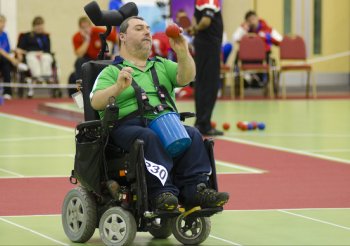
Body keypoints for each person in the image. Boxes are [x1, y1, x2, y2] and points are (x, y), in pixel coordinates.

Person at [90, 16, 229, 211]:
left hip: (165, 121)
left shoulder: (161, 64)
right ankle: (161, 193)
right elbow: (96, 101)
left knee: (193, 134)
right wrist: (117, 87)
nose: (147, 31)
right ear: (122, 36)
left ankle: (195, 190)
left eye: (148, 28)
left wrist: (182, 51)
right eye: (139, 28)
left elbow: (188, 76)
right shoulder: (111, 72)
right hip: (128, 126)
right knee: (148, 137)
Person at [188, 0, 224, 136]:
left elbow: (194, 18)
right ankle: (204, 124)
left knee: (202, 83)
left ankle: (201, 122)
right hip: (209, 47)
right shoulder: (209, 0)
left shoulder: (199, 1)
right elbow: (205, 21)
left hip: (203, 47)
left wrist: (193, 28)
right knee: (210, 85)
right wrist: (196, 28)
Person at [233, 10, 282, 88]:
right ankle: (243, 80)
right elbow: (235, 37)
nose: (252, 22)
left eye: (253, 19)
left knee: (271, 60)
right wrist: (243, 29)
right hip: (247, 58)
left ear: (257, 18)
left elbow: (280, 40)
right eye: (249, 20)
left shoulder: (267, 29)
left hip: (263, 57)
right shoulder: (244, 30)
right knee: (238, 54)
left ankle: (266, 83)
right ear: (247, 22)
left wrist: (267, 37)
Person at [17, 16, 53, 82]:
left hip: (43, 54)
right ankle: (37, 77)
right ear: (33, 26)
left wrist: (42, 53)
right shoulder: (26, 36)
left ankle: (46, 77)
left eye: (41, 25)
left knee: (47, 57)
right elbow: (19, 48)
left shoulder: (45, 37)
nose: (39, 27)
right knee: (32, 59)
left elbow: (48, 50)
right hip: (30, 54)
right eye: (37, 25)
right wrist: (21, 53)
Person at [0, 15, 27, 99]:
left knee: (6, 63)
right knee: (5, 61)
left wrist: (16, 51)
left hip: (5, 59)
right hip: (3, 59)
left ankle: (7, 92)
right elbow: (0, 50)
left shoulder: (5, 34)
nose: (3, 24)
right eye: (1, 22)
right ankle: (7, 91)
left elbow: (7, 49)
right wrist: (12, 59)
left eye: (4, 22)